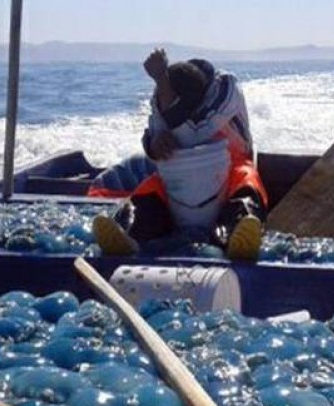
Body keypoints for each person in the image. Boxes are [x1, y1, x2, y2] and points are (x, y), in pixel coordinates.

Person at [90, 48, 268, 260]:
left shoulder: (226, 90)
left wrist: (162, 82)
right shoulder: (162, 94)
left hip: (232, 164)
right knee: (151, 188)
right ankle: (130, 234)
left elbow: (198, 131)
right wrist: (155, 144)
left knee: (247, 180)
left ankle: (235, 235)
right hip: (181, 172)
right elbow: (152, 132)